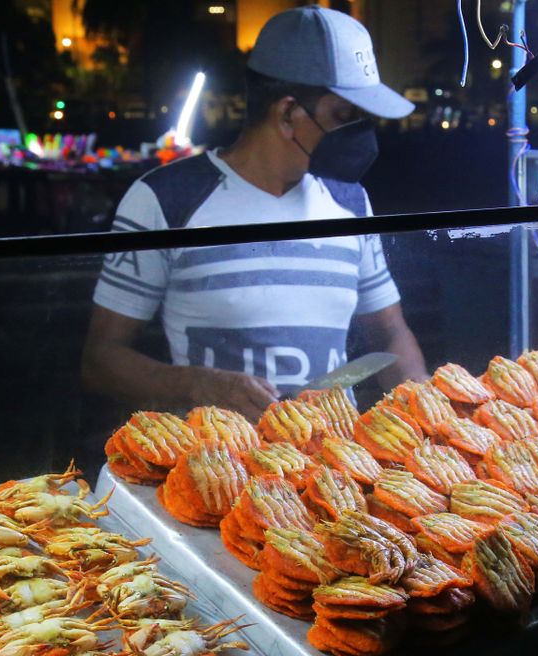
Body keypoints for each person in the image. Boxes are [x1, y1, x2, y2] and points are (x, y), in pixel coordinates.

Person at [82, 6, 427, 419]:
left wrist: (431, 420)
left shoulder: (351, 203)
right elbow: (101, 360)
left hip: (336, 468)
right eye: (345, 116)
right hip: (220, 470)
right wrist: (197, 384)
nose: (361, 133)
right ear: (286, 114)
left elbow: (389, 335)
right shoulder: (165, 199)